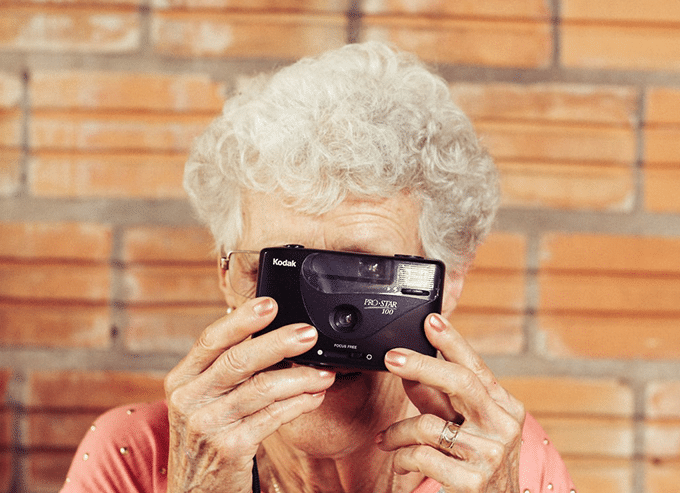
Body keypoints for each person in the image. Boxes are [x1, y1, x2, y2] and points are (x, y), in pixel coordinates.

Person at [61, 41, 575, 493]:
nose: (315, 333)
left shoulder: (503, 464)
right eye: (279, 273)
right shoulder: (136, 454)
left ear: (449, 281)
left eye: (364, 273)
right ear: (228, 277)